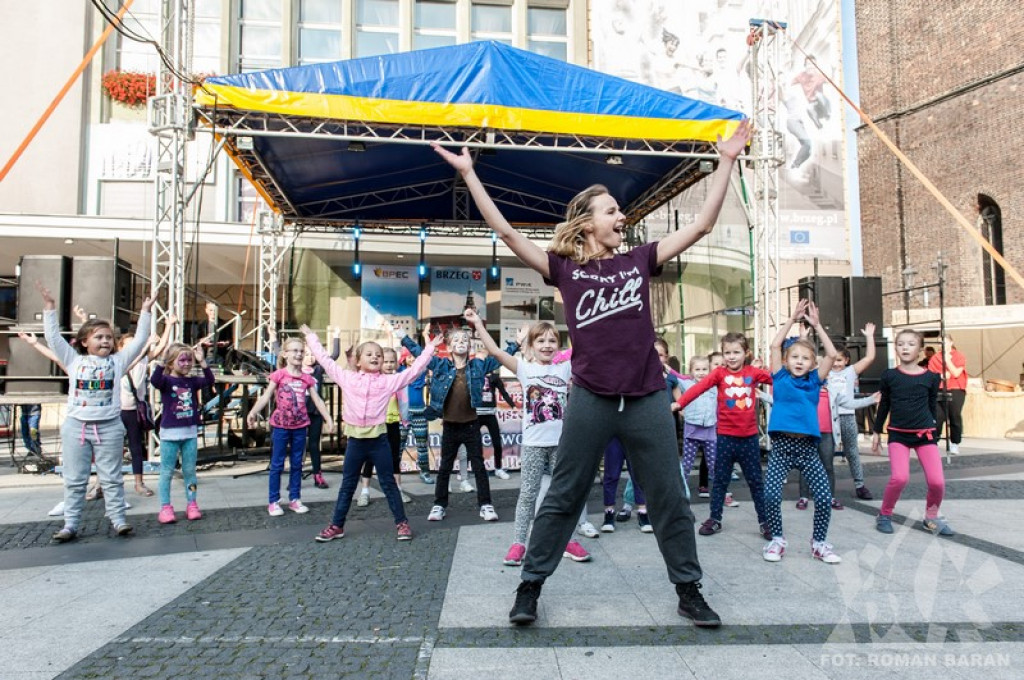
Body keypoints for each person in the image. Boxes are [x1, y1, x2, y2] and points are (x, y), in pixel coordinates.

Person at [432, 117, 750, 627]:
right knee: (562, 494)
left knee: (670, 497)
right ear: (586, 224)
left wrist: (727, 161)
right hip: (591, 399)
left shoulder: (640, 260)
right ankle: (530, 587)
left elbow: (702, 226)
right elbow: (509, 233)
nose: (621, 216)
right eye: (612, 210)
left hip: (646, 397)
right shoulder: (566, 270)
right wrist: (470, 174)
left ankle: (689, 589)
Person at [463, 311, 590, 566]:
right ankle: (519, 543)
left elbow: (586, 342)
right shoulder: (525, 368)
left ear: (559, 346)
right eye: (540, 341)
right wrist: (477, 324)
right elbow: (497, 353)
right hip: (533, 444)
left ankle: (568, 540)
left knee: (566, 494)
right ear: (530, 346)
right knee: (528, 495)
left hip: (561, 445)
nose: (546, 345)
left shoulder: (565, 368)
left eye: (552, 341)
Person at [38, 281, 152, 542]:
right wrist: (49, 308)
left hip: (109, 426)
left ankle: (118, 520)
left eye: (109, 337)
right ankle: (70, 524)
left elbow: (142, 340)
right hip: (76, 427)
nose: (105, 341)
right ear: (84, 342)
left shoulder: (118, 360)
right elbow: (53, 337)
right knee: (75, 480)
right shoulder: (73, 360)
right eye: (99, 337)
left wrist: (145, 311)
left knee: (111, 478)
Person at [306, 326, 439, 542]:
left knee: (388, 482)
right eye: (369, 354)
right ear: (358, 361)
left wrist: (430, 348)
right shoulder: (347, 378)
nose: (375, 357)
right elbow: (326, 361)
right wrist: (312, 337)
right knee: (348, 484)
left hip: (379, 441)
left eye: (378, 355)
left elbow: (413, 371)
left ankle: (402, 523)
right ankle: (337, 525)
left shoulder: (388, 381)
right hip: (356, 443)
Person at [760, 300, 842, 564]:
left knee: (823, 496)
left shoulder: (814, 381)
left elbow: (830, 355)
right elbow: (774, 345)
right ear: (786, 360)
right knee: (771, 494)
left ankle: (818, 543)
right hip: (782, 447)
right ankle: (777, 540)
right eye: (794, 357)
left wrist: (817, 326)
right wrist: (791, 320)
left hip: (808, 449)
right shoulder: (780, 377)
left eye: (805, 358)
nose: (799, 361)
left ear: (811, 364)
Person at [676, 331, 772, 542]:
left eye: (736, 352)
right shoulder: (719, 374)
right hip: (725, 438)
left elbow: (777, 378)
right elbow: (698, 388)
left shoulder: (753, 373)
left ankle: (765, 522)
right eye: (727, 352)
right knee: (719, 481)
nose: (731, 356)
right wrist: (679, 403)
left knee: (756, 482)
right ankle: (715, 518)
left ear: (745, 353)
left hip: (749, 439)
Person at [400, 325, 502, 523]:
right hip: (450, 426)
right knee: (445, 466)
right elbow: (420, 354)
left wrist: (517, 343)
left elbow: (500, 356)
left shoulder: (478, 366)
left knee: (479, 466)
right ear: (449, 346)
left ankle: (486, 505)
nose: (461, 343)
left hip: (472, 425)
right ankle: (439, 505)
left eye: (464, 340)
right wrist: (403, 337)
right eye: (456, 340)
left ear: (470, 345)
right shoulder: (441, 365)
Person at [872, 330, 954, 536]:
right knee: (900, 478)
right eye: (900, 344)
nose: (905, 347)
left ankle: (932, 517)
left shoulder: (931, 377)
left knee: (937, 482)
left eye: (910, 344)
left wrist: (933, 428)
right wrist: (876, 431)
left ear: (919, 349)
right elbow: (885, 405)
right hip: (898, 435)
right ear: (896, 348)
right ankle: (884, 514)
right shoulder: (890, 375)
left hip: (924, 435)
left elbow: (931, 404)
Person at [247, 338, 334, 517]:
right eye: (294, 350)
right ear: (285, 354)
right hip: (280, 426)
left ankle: (295, 498)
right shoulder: (279, 375)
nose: (299, 354)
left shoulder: (307, 378)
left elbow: (317, 400)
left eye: (301, 351)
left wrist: (328, 418)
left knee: (297, 464)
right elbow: (266, 396)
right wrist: (253, 412)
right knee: (277, 464)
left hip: (300, 426)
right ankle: (273, 501)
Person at [151, 343, 215, 523]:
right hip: (169, 435)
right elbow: (154, 380)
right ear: (171, 363)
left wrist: (203, 362)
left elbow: (210, 380)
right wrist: (162, 361)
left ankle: (192, 503)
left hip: (190, 434)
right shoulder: (165, 381)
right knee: (166, 472)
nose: (187, 364)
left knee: (190, 471)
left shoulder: (192, 381)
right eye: (182, 360)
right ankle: (165, 507)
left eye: (190, 360)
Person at [119, 314, 176, 497]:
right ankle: (100, 485)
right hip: (116, 410)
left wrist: (168, 326)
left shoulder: (142, 360)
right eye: (128, 344)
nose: (132, 348)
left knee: (136, 447)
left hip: (134, 411)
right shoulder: (117, 362)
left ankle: (139, 483)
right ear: (120, 348)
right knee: (110, 450)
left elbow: (159, 348)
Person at [827, 323, 878, 500]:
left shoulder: (850, 372)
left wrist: (869, 337)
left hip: (847, 416)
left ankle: (860, 484)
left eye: (839, 360)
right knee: (826, 452)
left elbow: (869, 358)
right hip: (828, 417)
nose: (836, 364)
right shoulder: (824, 372)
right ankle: (823, 485)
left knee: (852, 451)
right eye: (833, 360)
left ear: (846, 361)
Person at [357, 347, 412, 505]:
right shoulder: (373, 380)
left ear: (397, 362)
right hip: (375, 424)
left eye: (392, 361)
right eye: (385, 361)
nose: (388, 365)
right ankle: (365, 491)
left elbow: (404, 402)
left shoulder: (398, 380)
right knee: (369, 458)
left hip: (393, 423)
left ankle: (398, 490)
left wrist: (405, 419)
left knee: (395, 457)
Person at [303, 329, 340, 489]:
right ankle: (295, 476)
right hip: (298, 413)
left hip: (315, 413)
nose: (309, 357)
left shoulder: (318, 370)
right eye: (306, 354)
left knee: (313, 444)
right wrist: (274, 338)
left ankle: (317, 474)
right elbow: (280, 353)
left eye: (312, 354)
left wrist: (336, 336)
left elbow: (334, 355)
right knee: (297, 446)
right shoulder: (295, 371)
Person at [399, 347, 435, 484]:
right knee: (399, 445)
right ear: (403, 359)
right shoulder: (400, 371)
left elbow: (427, 358)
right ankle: (395, 474)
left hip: (420, 411)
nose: (412, 358)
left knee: (422, 445)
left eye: (414, 356)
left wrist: (427, 340)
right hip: (403, 414)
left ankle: (425, 472)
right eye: (409, 356)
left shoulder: (421, 371)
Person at [476, 356, 515, 480]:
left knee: (497, 443)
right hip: (476, 414)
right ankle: (475, 470)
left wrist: (513, 405)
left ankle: (498, 468)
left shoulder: (494, 377)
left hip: (490, 414)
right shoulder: (474, 376)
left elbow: (503, 392)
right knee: (473, 444)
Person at [928, 335, 968, 454]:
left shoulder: (958, 356)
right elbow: (930, 375)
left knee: (954, 416)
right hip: (939, 389)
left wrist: (948, 359)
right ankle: (934, 441)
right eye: (940, 343)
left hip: (955, 388)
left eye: (945, 342)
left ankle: (954, 442)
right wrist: (941, 376)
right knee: (938, 417)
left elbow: (956, 373)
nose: (943, 345)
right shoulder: (935, 357)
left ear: (951, 342)